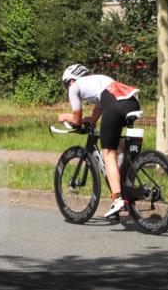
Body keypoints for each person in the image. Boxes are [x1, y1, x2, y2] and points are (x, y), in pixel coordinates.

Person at [58, 64, 141, 222]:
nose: (68, 87)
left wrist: (64, 117)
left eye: (67, 84)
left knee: (108, 152)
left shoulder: (74, 87)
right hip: (132, 102)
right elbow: (101, 103)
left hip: (115, 105)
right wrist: (92, 121)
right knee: (120, 150)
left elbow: (76, 119)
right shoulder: (100, 79)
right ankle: (126, 191)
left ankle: (117, 199)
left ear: (71, 80)